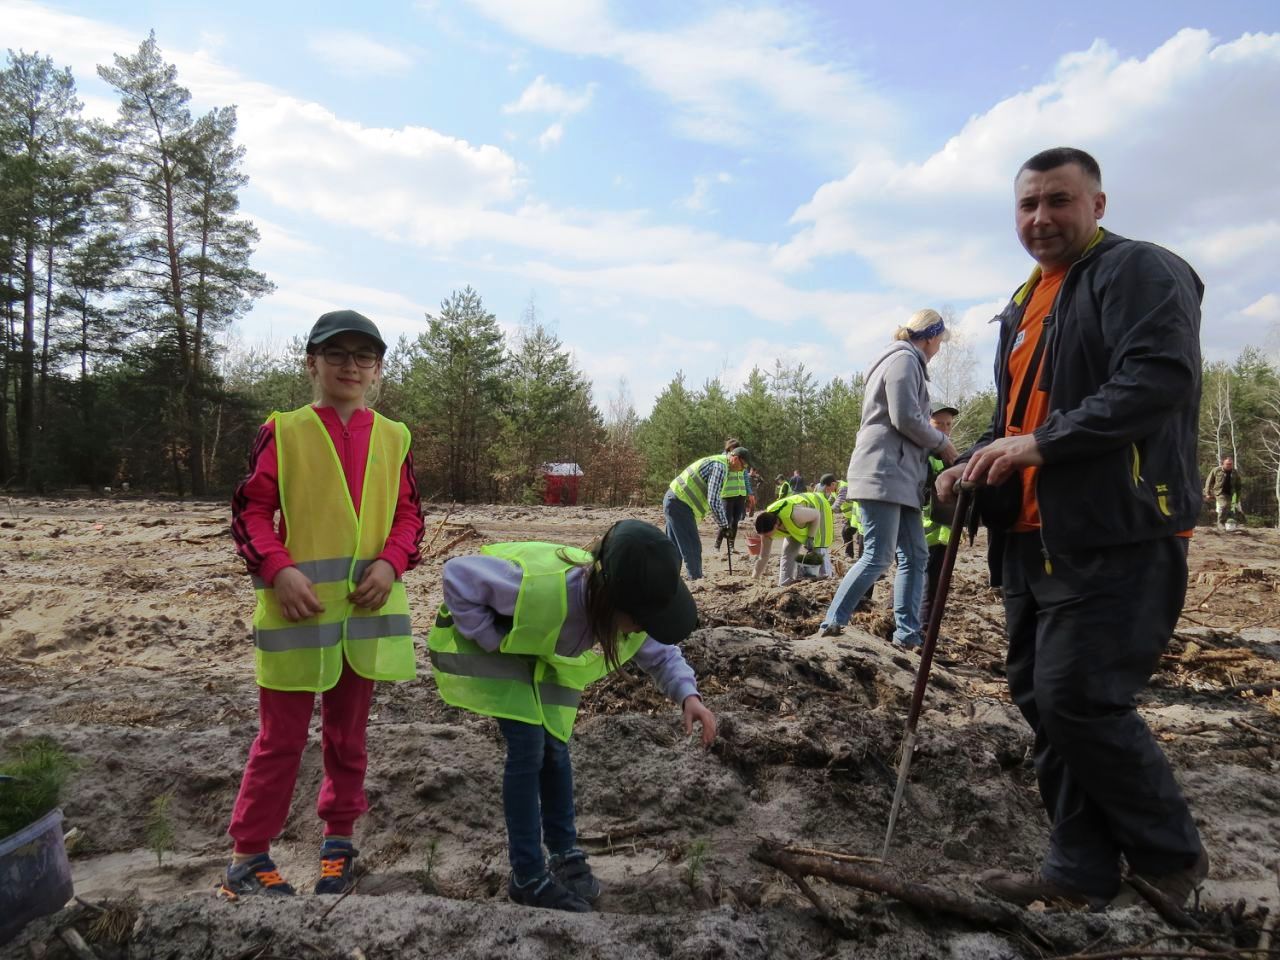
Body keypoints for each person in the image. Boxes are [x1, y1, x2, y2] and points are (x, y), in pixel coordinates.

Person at [936, 147, 1207, 909]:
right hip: (1030, 536)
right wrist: (978, 459)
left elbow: (1159, 377)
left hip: (1118, 530)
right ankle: (1079, 870)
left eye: (1059, 201)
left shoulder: (1140, 272)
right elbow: (1018, 416)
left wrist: (1041, 443)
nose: (1040, 218)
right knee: (1041, 699)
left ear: (1098, 204)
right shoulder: (1025, 303)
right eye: (1027, 205)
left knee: (1078, 697)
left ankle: (1171, 856)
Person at [223, 309, 424, 898]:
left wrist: (391, 562)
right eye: (337, 355)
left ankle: (338, 844)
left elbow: (410, 514)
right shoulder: (283, 430)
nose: (351, 367)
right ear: (311, 363)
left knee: (348, 737)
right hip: (296, 615)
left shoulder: (395, 436)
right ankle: (248, 857)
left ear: (378, 369)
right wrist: (277, 569)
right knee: (278, 740)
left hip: (365, 617)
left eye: (364, 357)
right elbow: (250, 511)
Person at [430, 519, 718, 911]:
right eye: (642, 619)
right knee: (529, 749)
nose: (644, 628)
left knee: (555, 747)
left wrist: (689, 695)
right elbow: (458, 576)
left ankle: (564, 854)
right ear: (612, 602)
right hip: (500, 653)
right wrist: (492, 639)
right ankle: (527, 875)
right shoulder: (544, 587)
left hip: (541, 661)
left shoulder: (631, 609)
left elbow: (660, 650)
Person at [817, 309, 957, 647]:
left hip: (901, 478)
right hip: (882, 473)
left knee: (916, 555)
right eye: (939, 341)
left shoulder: (906, 362)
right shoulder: (903, 361)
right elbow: (905, 417)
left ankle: (908, 635)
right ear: (930, 337)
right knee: (878, 556)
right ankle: (832, 623)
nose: (939, 348)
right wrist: (942, 444)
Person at [663, 446, 755, 579]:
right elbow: (713, 500)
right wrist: (724, 526)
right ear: (735, 458)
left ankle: (668, 580)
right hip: (680, 503)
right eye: (743, 465)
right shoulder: (720, 467)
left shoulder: (723, 465)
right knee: (692, 547)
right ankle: (696, 580)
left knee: (674, 548)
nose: (743, 469)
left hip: (675, 500)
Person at [752, 476, 837, 585]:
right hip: (796, 525)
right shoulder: (766, 526)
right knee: (788, 552)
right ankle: (784, 583)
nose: (767, 537)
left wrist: (810, 537)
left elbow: (816, 515)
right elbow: (763, 556)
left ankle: (826, 581)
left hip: (818, 509)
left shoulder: (794, 515)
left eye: (768, 534)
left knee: (818, 546)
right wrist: (754, 578)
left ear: (776, 525)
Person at [918, 401, 959, 629]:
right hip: (922, 531)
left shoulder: (948, 455)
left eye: (948, 424)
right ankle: (919, 630)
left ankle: (925, 630)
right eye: (938, 424)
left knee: (935, 585)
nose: (944, 429)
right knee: (921, 583)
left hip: (944, 533)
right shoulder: (922, 452)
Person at [715, 437, 755, 551]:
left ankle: (731, 546)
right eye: (735, 448)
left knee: (735, 521)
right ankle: (718, 543)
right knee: (726, 520)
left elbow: (746, 478)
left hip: (740, 494)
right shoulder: (723, 460)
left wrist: (749, 493)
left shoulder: (741, 461)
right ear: (730, 448)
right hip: (727, 495)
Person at [1203, 456, 1244, 527]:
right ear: (1223, 464)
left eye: (1231, 464)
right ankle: (1220, 523)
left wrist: (1238, 497)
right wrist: (1207, 493)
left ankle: (1236, 524)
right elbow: (1208, 482)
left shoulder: (1235, 472)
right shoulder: (1216, 470)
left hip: (1232, 493)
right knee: (1223, 505)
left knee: (1235, 508)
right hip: (1219, 492)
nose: (1229, 465)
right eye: (1227, 464)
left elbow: (1238, 486)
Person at [833, 479, 866, 561]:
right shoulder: (834, 489)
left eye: (827, 487)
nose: (826, 490)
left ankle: (861, 559)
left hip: (856, 516)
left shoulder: (843, 487)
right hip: (852, 517)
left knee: (860, 538)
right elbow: (830, 500)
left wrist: (830, 510)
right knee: (847, 533)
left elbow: (840, 500)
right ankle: (850, 555)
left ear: (833, 484)